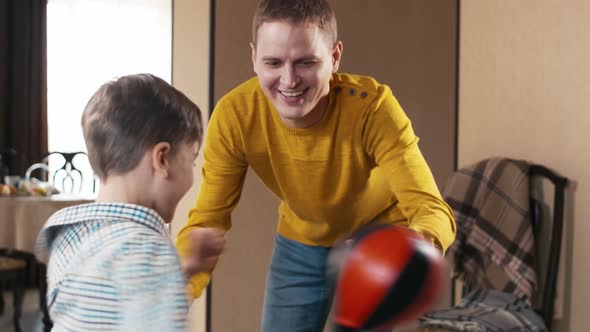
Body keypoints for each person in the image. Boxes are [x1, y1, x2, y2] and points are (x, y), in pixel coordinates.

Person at [176, 0, 456, 331]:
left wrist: (407, 249)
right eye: (273, 62)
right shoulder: (236, 115)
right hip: (300, 242)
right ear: (254, 57)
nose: (289, 80)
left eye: (306, 62)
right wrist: (175, 291)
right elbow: (207, 221)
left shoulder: (373, 108)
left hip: (374, 245)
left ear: (335, 56)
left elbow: (433, 210)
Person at [35, 74, 225, 331]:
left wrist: (184, 270)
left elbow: (113, 302)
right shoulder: (146, 248)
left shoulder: (70, 237)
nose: (192, 171)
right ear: (162, 158)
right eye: (191, 160)